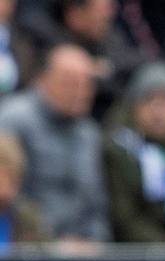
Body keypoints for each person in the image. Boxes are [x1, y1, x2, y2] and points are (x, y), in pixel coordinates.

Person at [0, 42, 109, 246]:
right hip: (29, 246)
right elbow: (8, 194)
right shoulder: (13, 120)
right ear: (43, 80)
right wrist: (51, 243)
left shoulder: (90, 133)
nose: (80, 92)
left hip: (85, 251)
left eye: (87, 84)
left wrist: (97, 242)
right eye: (70, 82)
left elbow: (97, 204)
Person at [103, 60, 165, 243]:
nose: (158, 113)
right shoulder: (119, 151)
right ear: (134, 107)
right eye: (150, 101)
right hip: (137, 256)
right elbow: (123, 217)